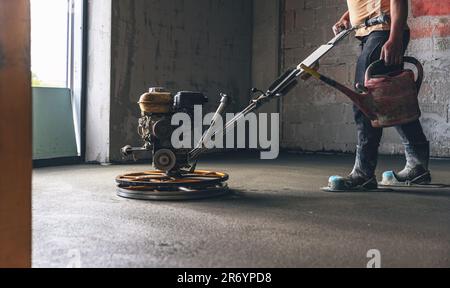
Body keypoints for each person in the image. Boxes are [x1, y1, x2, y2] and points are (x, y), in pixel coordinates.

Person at [330, 0, 431, 190]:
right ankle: (418, 166)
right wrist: (347, 17)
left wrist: (395, 37)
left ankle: (363, 173)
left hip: (384, 31)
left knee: (365, 101)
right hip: (374, 32)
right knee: (392, 100)